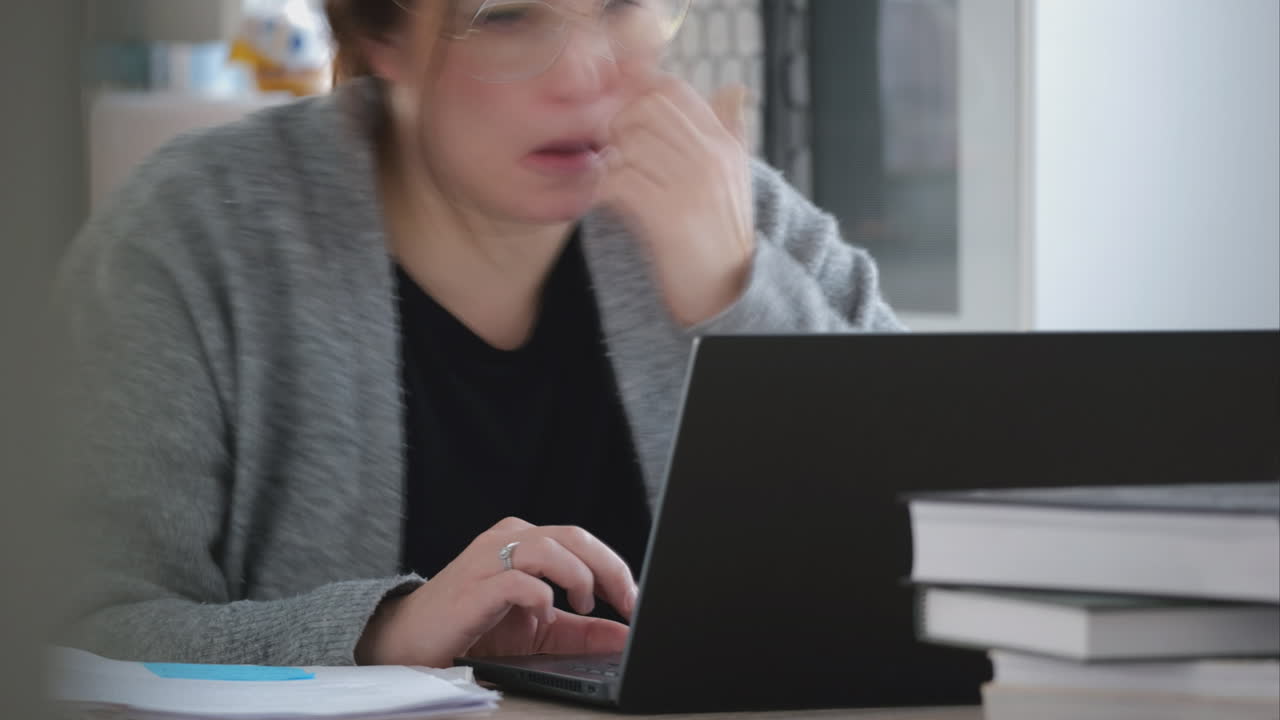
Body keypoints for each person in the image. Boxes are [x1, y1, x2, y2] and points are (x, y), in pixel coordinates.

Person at [53, 0, 903, 670]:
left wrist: (736, 291)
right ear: (383, 34)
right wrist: (380, 634)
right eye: (505, 16)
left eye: (620, 3)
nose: (584, 74)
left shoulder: (726, 205)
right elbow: (68, 630)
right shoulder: (191, 238)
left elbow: (941, 544)